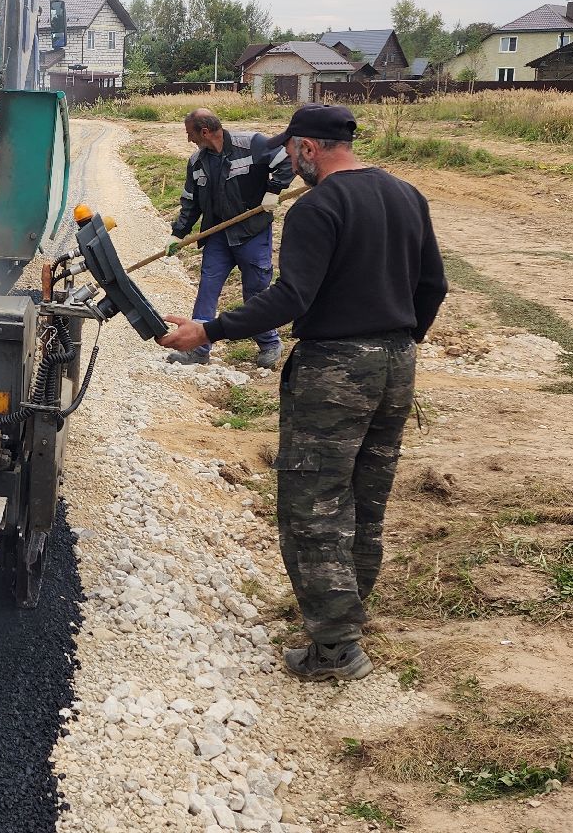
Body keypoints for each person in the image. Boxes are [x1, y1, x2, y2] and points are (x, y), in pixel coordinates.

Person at [157, 104, 448, 683]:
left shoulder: (320, 207)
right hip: (397, 364)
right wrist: (398, 339)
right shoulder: (407, 195)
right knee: (365, 502)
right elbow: (433, 286)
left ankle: (336, 648)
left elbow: (291, 298)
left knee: (313, 505)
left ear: (309, 148)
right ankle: (346, 615)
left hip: (336, 370)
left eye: (292, 154)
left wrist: (206, 329)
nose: (290, 165)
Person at [164, 109, 292, 370]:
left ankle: (269, 343)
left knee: (255, 291)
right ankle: (199, 349)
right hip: (218, 235)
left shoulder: (253, 144)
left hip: (251, 232)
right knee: (207, 290)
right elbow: (191, 202)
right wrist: (178, 233)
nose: (189, 140)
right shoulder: (197, 162)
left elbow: (287, 159)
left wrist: (273, 190)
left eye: (190, 134)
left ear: (204, 131)